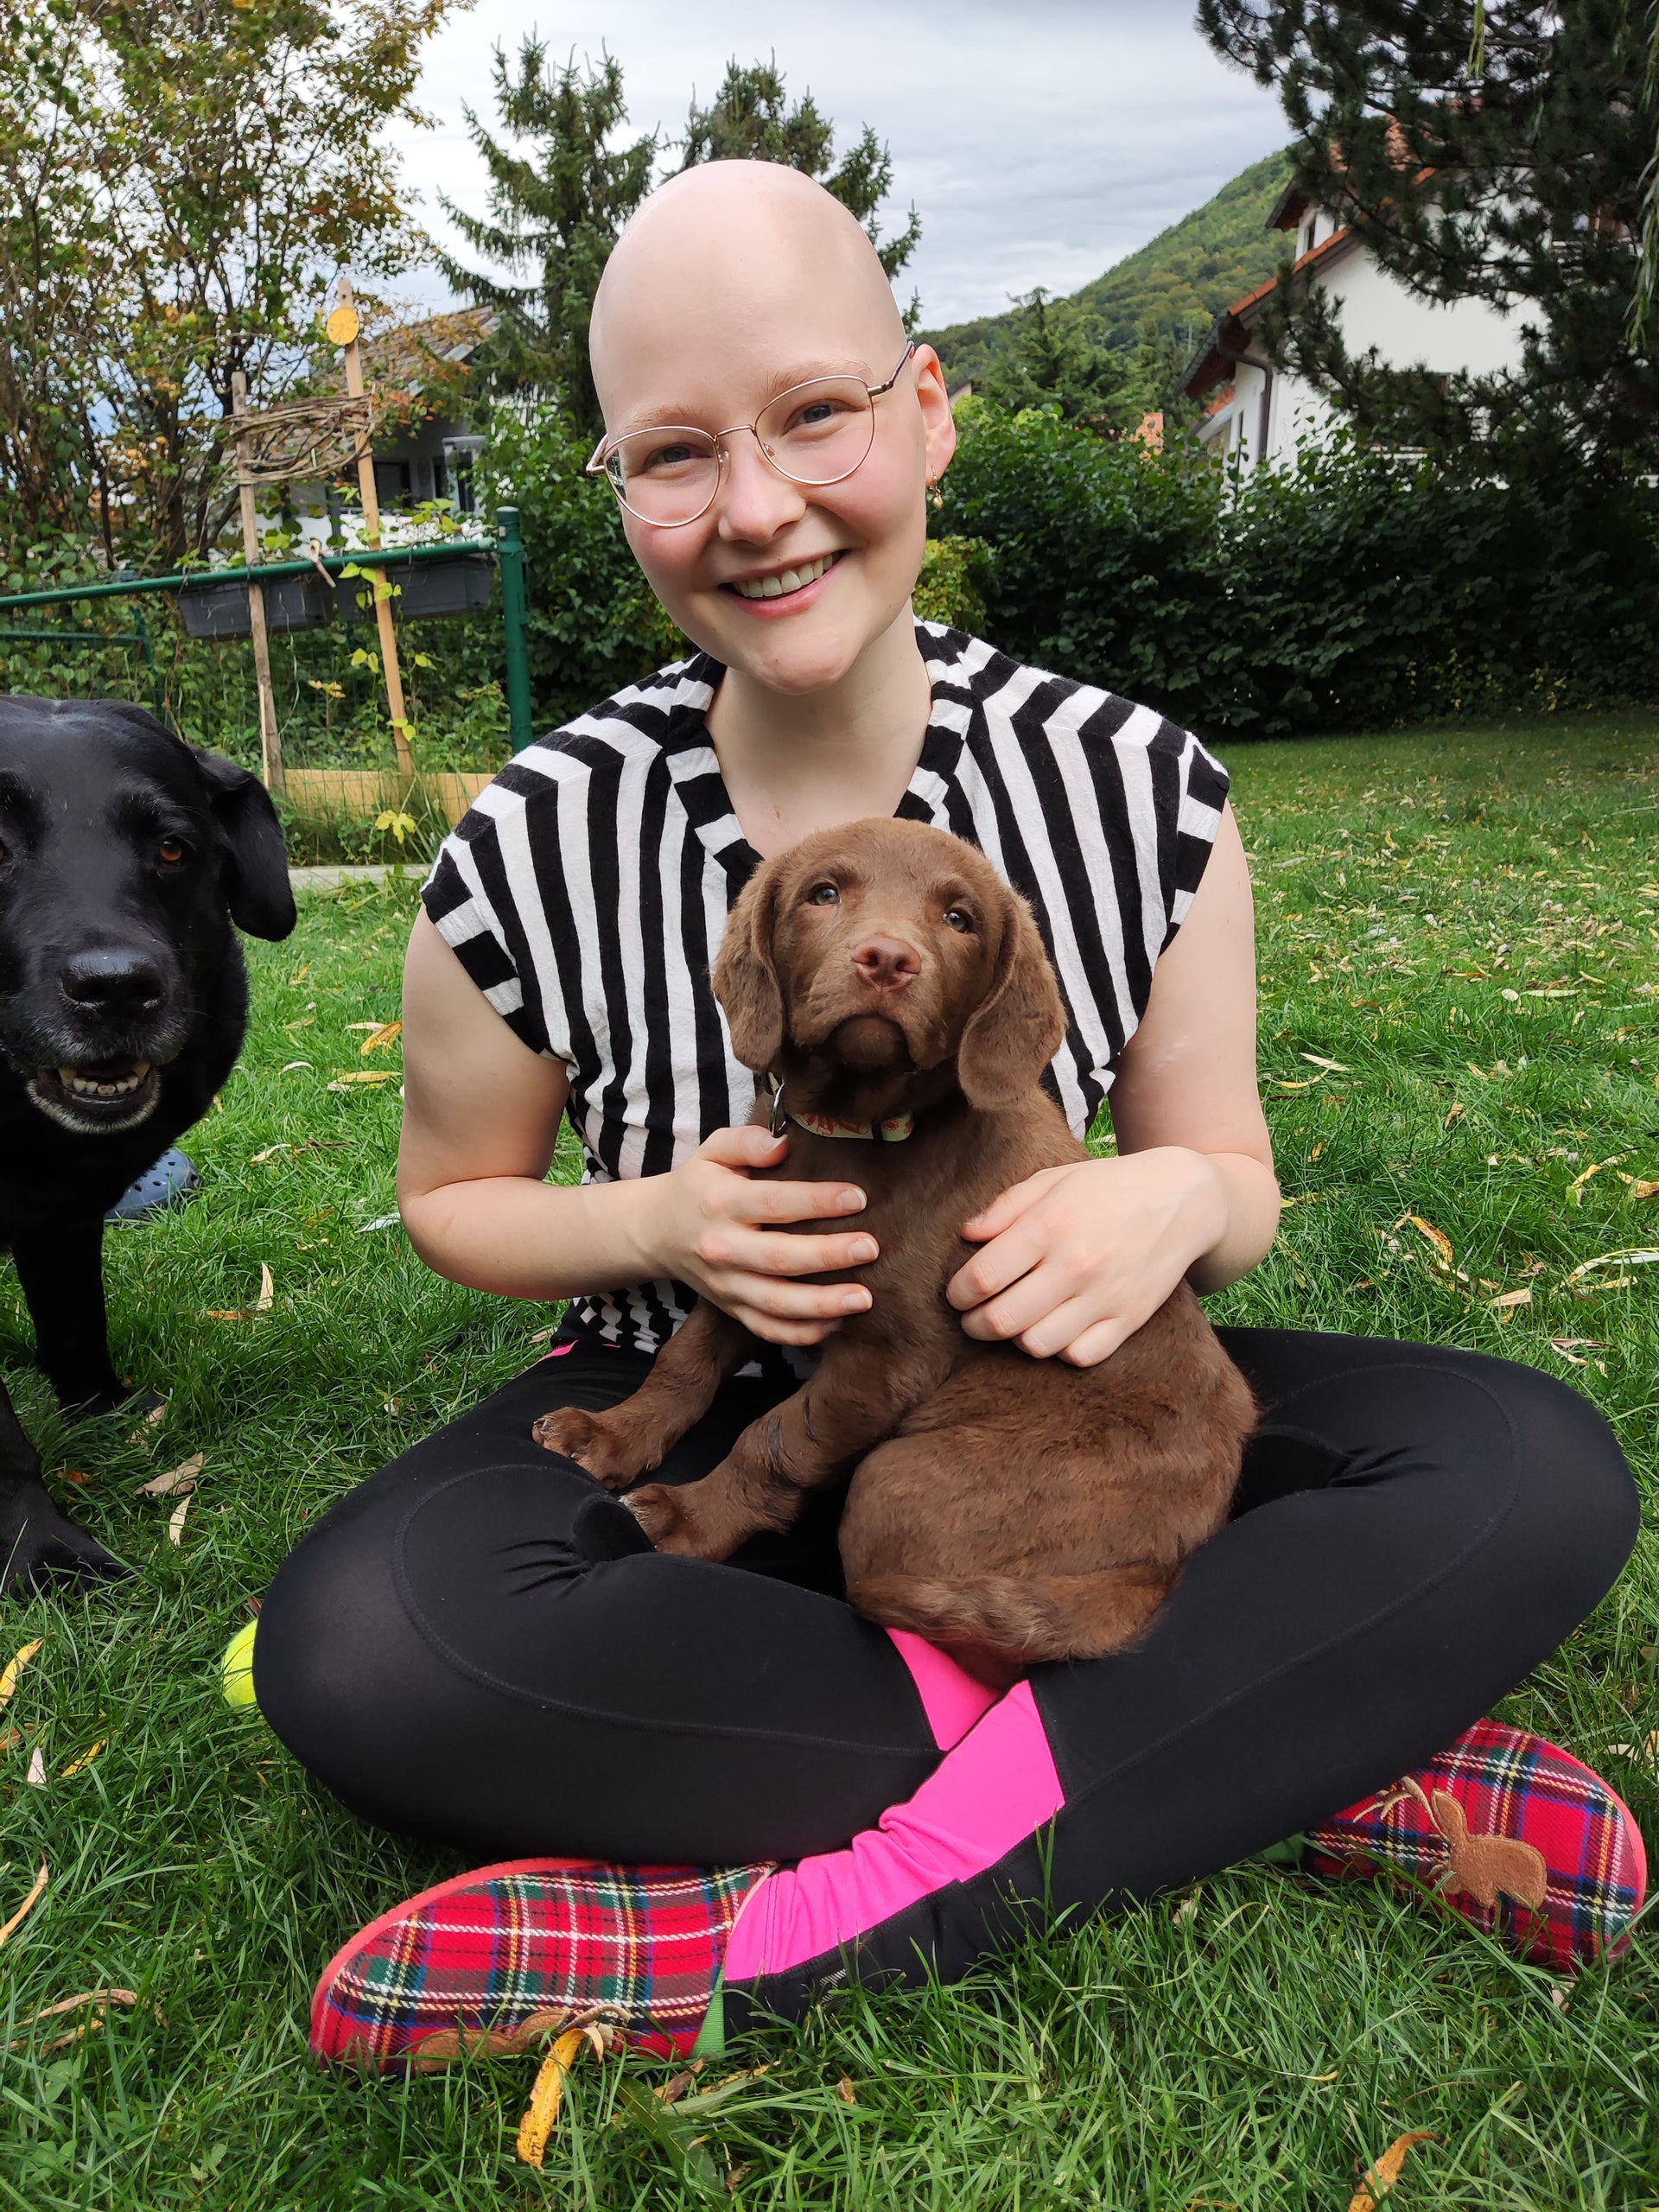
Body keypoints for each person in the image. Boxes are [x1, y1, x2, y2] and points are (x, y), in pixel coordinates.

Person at [251, 162, 1644, 2072]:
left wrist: (1171, 1196)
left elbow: (1234, 1176)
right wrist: (654, 1223)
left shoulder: (1139, 783)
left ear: (926, 407)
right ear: (620, 491)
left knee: (1531, 1460)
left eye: (817, 412)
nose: (757, 506)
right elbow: (454, 1200)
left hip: (1051, 1394)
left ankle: (835, 1906)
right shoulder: (539, 828)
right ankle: (1275, 1736)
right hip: (700, 1372)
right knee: (368, 1644)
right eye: (676, 452)